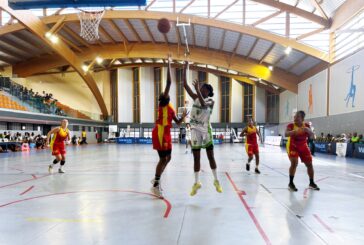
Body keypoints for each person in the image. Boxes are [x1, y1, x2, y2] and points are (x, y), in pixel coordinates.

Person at [183, 62, 223, 196]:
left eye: (202, 88)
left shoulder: (211, 101)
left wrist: (198, 91)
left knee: (210, 156)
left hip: (205, 130)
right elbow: (185, 85)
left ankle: (216, 180)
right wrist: (185, 67)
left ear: (207, 91)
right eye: (200, 87)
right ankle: (196, 182)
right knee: (196, 158)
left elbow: (205, 105)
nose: (200, 88)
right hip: (194, 130)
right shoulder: (195, 97)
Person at [151, 57, 187, 198]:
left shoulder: (171, 108)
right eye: (163, 93)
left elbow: (178, 123)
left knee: (169, 158)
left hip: (167, 133)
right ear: (162, 98)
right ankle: (156, 184)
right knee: (163, 159)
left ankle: (156, 178)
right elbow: (169, 82)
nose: (164, 92)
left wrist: (183, 117)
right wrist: (168, 62)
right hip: (159, 132)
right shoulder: (163, 104)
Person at [285, 111, 320, 192]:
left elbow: (313, 137)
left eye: (297, 117)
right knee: (294, 163)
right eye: (295, 116)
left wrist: (309, 131)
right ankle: (291, 183)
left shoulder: (306, 126)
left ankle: (311, 183)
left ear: (302, 119)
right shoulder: (291, 125)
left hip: (303, 146)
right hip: (293, 146)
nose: (295, 118)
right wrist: (294, 132)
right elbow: (286, 134)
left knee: (310, 164)